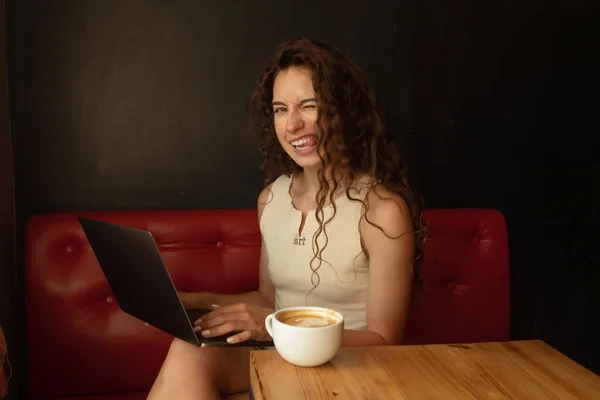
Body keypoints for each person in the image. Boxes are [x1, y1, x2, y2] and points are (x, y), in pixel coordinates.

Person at [147, 37, 425, 400]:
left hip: (352, 364)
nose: (293, 125)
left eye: (309, 105)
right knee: (187, 349)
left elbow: (386, 340)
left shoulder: (382, 211)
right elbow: (268, 298)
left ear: (342, 110)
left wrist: (272, 329)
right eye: (280, 109)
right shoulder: (271, 199)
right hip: (280, 353)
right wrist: (192, 299)